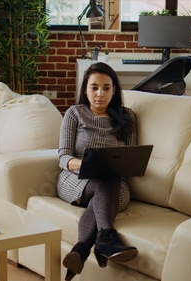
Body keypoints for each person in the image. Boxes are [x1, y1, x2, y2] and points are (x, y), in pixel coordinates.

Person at [57, 62, 138, 281]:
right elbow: (63, 157)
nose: (100, 94)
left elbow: (130, 160)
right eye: (94, 87)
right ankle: (106, 239)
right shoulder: (75, 114)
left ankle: (81, 249)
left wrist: (110, 166)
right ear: (85, 89)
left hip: (114, 186)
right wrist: (85, 165)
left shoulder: (127, 118)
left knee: (109, 175)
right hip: (76, 180)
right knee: (105, 176)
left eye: (106, 88)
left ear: (114, 90)